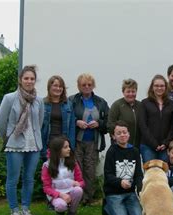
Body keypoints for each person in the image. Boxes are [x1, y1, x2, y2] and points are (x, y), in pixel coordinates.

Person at [0, 65, 44, 215]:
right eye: (26, 78)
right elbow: (1, 123)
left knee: (29, 178)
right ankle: (14, 210)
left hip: (34, 144)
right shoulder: (10, 98)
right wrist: (8, 138)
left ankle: (25, 208)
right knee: (13, 179)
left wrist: (36, 137)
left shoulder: (38, 100)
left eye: (32, 79)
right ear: (20, 80)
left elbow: (40, 122)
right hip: (15, 144)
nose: (29, 81)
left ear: (35, 81)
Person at [69, 73, 109, 206]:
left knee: (90, 170)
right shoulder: (72, 100)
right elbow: (67, 118)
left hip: (93, 141)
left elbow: (108, 122)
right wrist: (76, 122)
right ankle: (77, 196)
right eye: (83, 85)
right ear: (79, 86)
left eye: (89, 84)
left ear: (93, 86)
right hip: (76, 141)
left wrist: (99, 124)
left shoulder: (101, 102)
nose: (86, 87)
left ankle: (88, 197)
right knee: (77, 169)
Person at [103, 121, 143, 215]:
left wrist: (139, 188)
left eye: (124, 132)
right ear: (113, 136)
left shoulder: (135, 151)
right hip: (114, 193)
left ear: (129, 134)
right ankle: (107, 207)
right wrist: (120, 182)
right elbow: (108, 175)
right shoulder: (111, 151)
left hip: (130, 193)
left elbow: (139, 173)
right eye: (119, 133)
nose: (122, 135)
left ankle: (124, 206)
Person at [41, 136, 84, 215]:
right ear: (57, 150)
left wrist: (78, 184)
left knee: (78, 190)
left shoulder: (73, 162)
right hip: (56, 194)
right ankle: (60, 214)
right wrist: (60, 195)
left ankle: (71, 213)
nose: (69, 149)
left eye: (69, 146)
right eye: (65, 147)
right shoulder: (47, 166)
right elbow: (46, 188)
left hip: (70, 191)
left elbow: (81, 181)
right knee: (61, 206)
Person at [139, 75, 173, 163]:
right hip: (148, 146)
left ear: (166, 87)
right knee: (150, 174)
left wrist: (166, 143)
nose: (159, 88)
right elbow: (142, 125)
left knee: (163, 174)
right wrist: (154, 144)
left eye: (162, 86)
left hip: (165, 147)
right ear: (152, 87)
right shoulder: (145, 103)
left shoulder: (171, 104)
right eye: (156, 86)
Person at [41, 75, 76, 162]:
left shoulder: (68, 104)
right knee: (50, 170)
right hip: (48, 143)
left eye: (60, 86)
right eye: (55, 85)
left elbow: (72, 126)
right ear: (49, 87)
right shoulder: (42, 104)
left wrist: (71, 146)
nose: (58, 88)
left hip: (63, 143)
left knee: (63, 171)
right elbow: (39, 127)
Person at [107, 79, 142, 149]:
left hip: (137, 146)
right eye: (128, 91)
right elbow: (110, 125)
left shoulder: (140, 105)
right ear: (123, 92)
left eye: (133, 91)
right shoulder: (117, 105)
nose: (131, 94)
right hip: (120, 146)